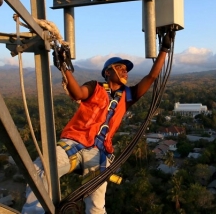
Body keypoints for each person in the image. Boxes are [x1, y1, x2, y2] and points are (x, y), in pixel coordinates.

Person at [21, 31, 174, 214]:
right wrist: (65, 67)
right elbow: (78, 93)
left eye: (126, 69)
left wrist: (164, 49)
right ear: (108, 72)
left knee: (96, 205)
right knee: (41, 169)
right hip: (74, 144)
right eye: (120, 67)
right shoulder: (96, 87)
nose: (125, 71)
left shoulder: (127, 96)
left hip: (98, 154)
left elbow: (151, 78)